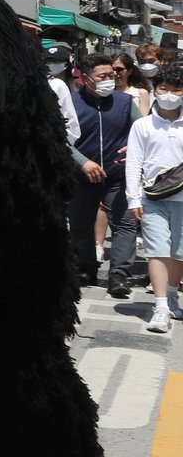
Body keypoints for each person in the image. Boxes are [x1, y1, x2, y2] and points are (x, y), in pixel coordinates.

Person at [70, 53, 141, 295]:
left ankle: (119, 275)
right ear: (85, 78)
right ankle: (84, 268)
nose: (110, 80)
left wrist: (133, 147)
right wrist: (82, 162)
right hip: (83, 176)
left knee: (124, 224)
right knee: (80, 224)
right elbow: (59, 138)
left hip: (118, 175)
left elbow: (143, 132)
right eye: (103, 76)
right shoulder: (71, 104)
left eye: (112, 75)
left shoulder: (124, 102)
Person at [126, 67, 183, 334]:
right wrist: (133, 197)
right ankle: (160, 306)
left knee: (179, 253)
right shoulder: (143, 125)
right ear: (155, 89)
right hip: (152, 197)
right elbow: (134, 162)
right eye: (164, 89)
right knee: (157, 250)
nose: (170, 95)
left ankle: (172, 294)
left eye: (176, 89)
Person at [44, 43, 80, 144]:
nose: (52, 64)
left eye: (56, 61)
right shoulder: (56, 85)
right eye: (49, 61)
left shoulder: (75, 84)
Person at [114, 51, 152, 116]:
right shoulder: (105, 94)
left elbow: (142, 120)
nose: (115, 73)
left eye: (119, 69)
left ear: (129, 71)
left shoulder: (141, 93)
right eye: (112, 69)